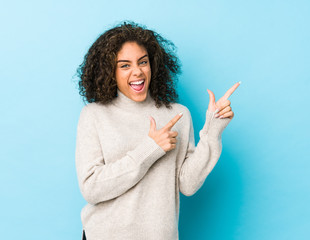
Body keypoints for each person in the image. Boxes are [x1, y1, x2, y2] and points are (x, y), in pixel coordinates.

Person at [75, 21, 240, 240]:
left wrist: (213, 130)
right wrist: (150, 149)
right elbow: (91, 188)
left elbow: (187, 185)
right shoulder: (94, 115)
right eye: (125, 65)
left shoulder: (178, 115)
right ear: (109, 71)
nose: (137, 72)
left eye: (143, 62)